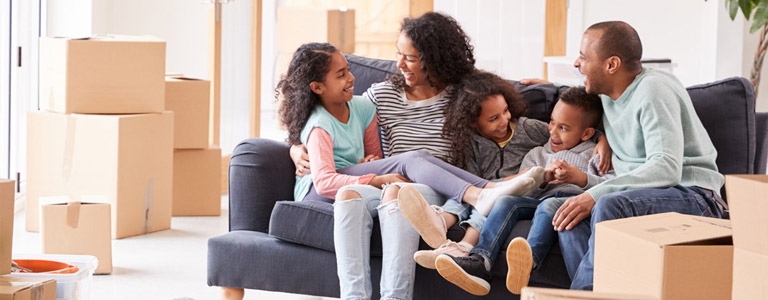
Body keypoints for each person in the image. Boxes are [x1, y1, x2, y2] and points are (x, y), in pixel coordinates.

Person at [288, 13, 508, 300]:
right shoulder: (381, 96)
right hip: (388, 181)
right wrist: (294, 146)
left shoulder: (464, 97)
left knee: (397, 190)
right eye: (398, 55)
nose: (399, 64)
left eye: (410, 58)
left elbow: (508, 118)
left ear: (434, 60)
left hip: (434, 187)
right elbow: (318, 114)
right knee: (350, 194)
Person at [550, 21, 725, 290]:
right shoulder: (606, 90)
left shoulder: (653, 90)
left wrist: (595, 194)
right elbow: (575, 99)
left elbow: (666, 167)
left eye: (583, 57)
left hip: (695, 195)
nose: (576, 63)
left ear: (611, 65)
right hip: (645, 195)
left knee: (607, 204)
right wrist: (602, 137)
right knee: (567, 214)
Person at [277, 43, 540, 220]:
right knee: (410, 160)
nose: (351, 78)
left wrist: (371, 164)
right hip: (318, 192)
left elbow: (376, 158)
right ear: (317, 87)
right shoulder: (319, 123)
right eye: (341, 74)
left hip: (349, 180)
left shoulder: (363, 108)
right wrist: (375, 178)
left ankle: (488, 189)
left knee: (418, 157)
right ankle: (481, 193)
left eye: (348, 70)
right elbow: (324, 182)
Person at [424, 86, 614, 296]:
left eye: (564, 128)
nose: (552, 132)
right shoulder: (536, 154)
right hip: (538, 201)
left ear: (587, 133)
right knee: (505, 201)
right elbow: (523, 190)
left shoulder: (595, 154)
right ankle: (481, 260)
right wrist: (541, 180)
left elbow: (612, 186)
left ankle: (528, 261)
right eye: (552, 122)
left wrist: (582, 178)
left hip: (571, 201)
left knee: (549, 204)